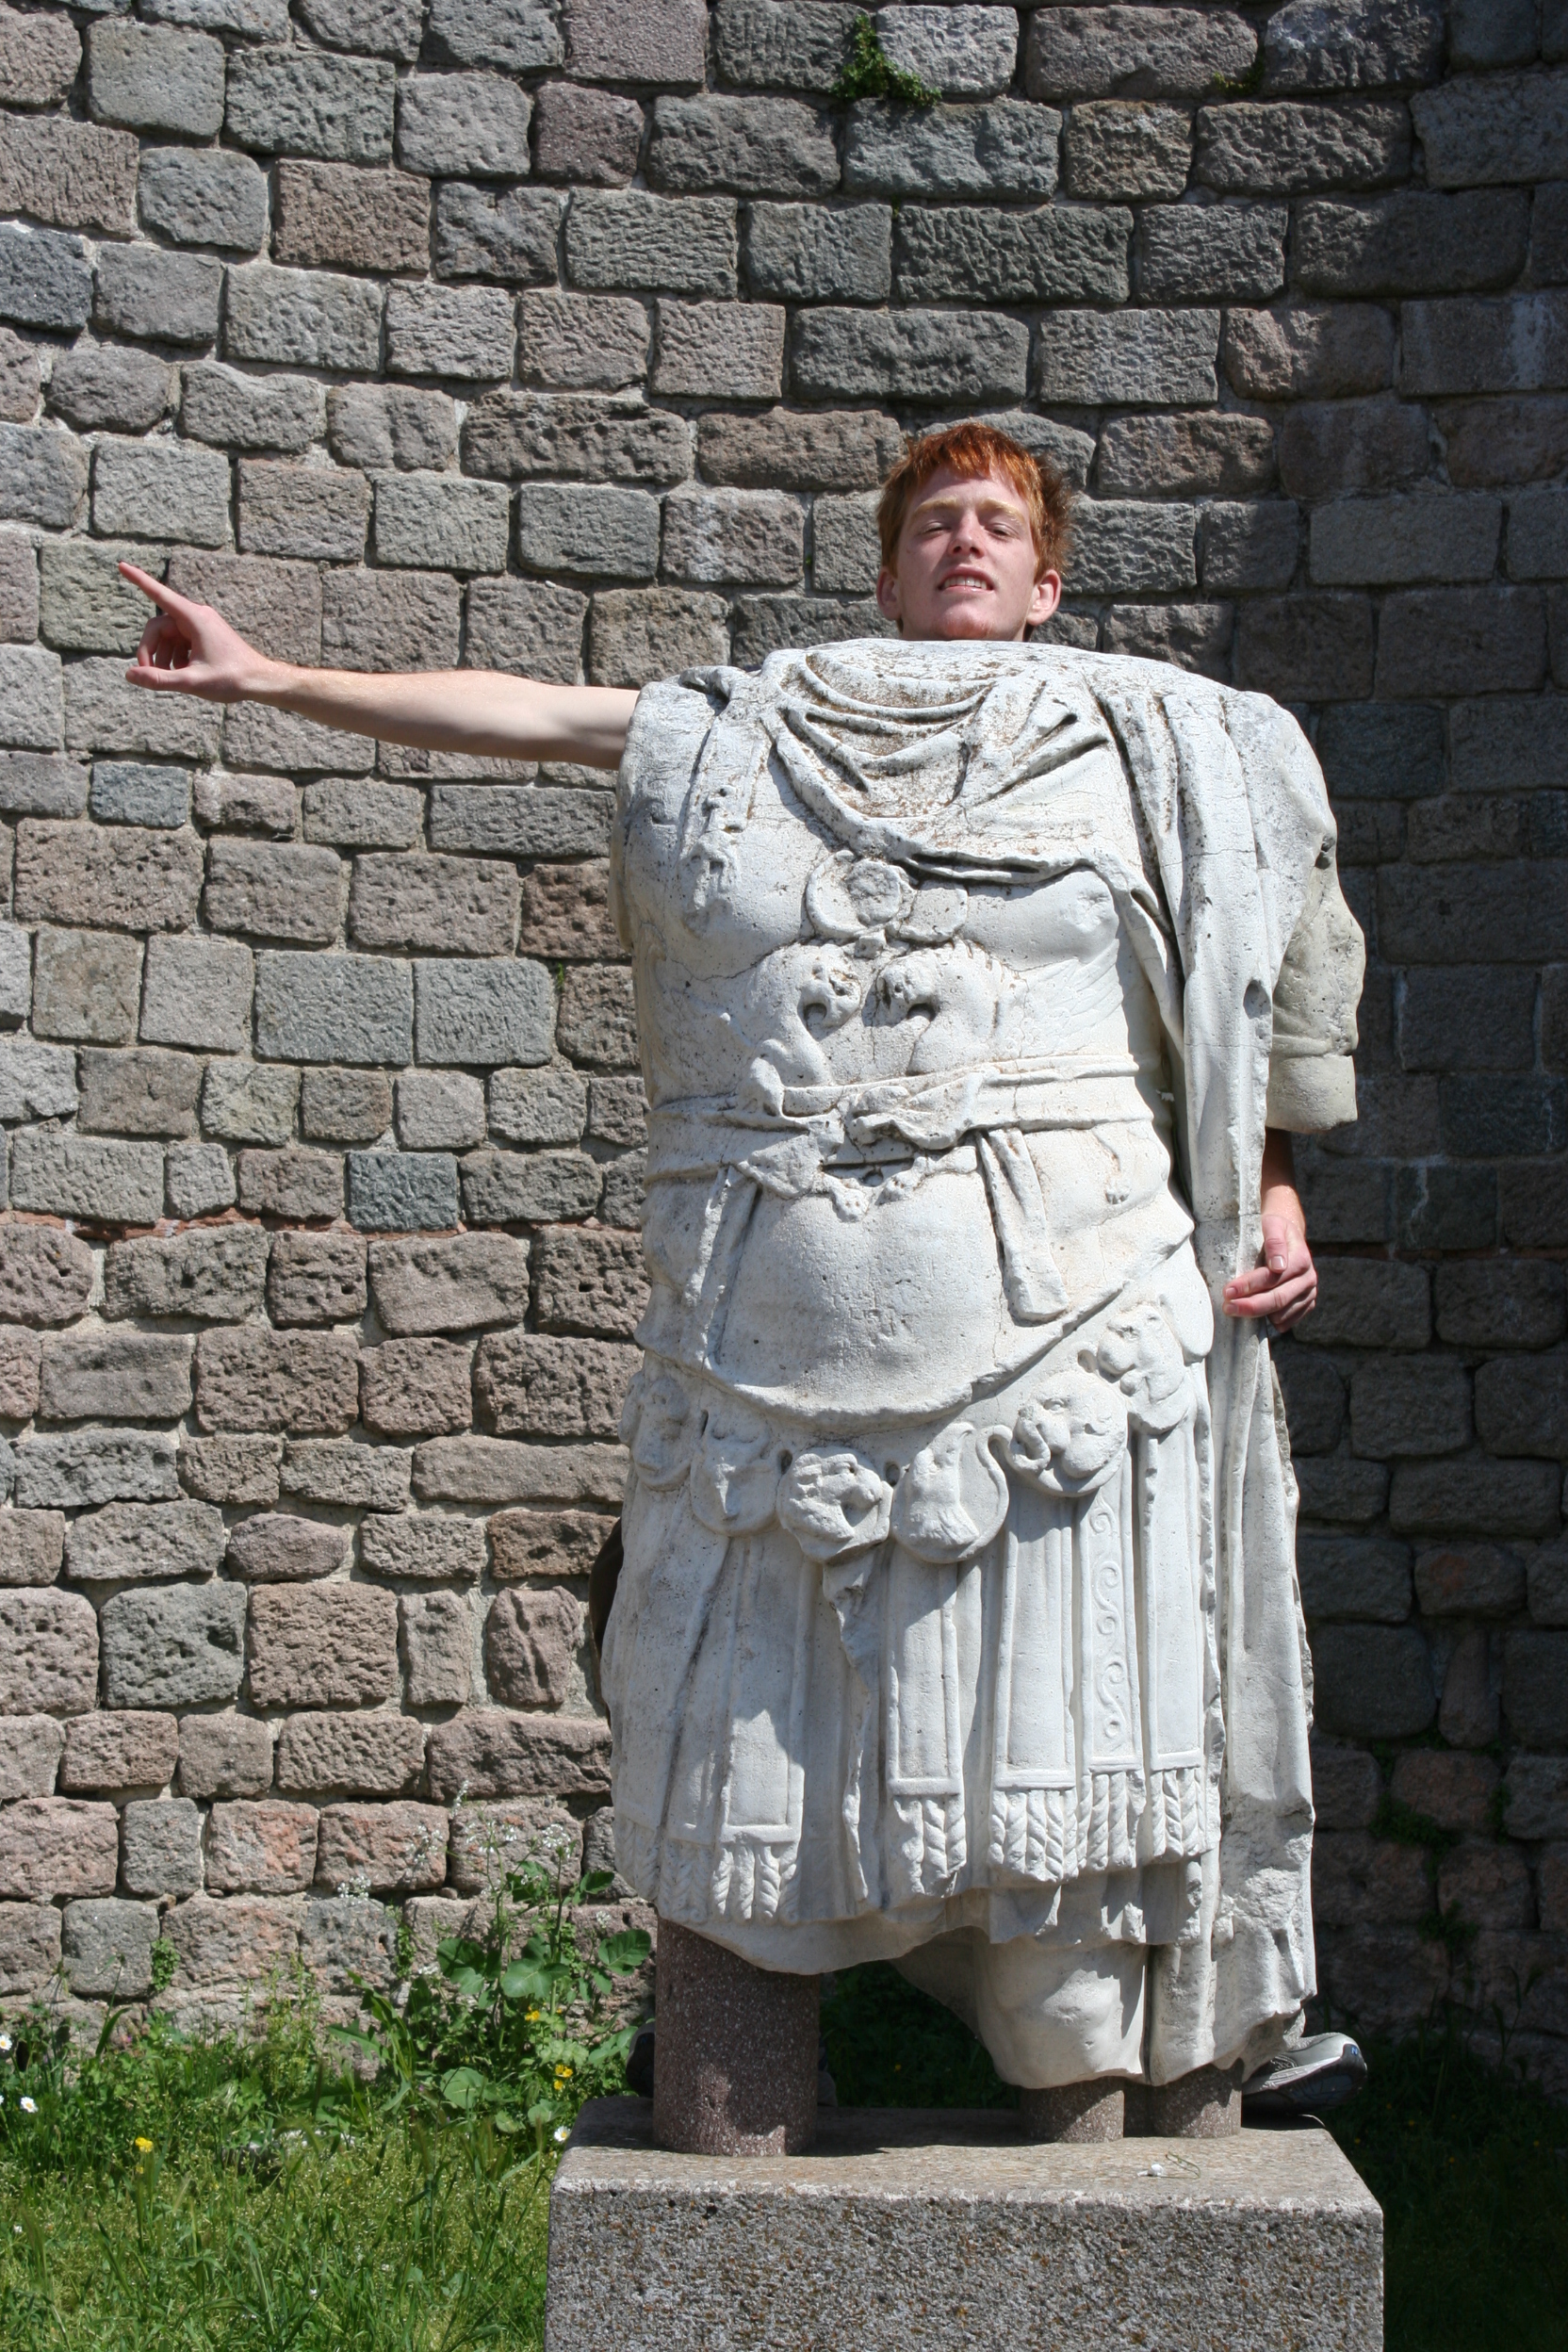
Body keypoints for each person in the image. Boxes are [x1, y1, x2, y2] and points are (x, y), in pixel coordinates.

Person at [122, 422, 1362, 2125]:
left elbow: (1259, 956)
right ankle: (737, 2068)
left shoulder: (1164, 735)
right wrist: (270, 679)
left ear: (1049, 581)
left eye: (999, 525)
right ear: (887, 571)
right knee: (744, 1805)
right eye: (934, 522)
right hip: (765, 1356)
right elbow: (526, 715)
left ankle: (1111, 2091)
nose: (966, 542)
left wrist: (1273, 1181)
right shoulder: (747, 722)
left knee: (1064, 1834)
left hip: (1076, 1346)